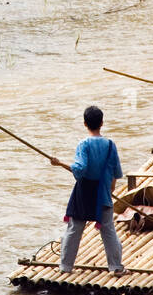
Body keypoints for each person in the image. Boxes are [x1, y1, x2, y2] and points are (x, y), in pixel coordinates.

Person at [48, 105, 126, 275]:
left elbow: (79, 169)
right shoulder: (111, 145)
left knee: (74, 229)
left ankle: (65, 267)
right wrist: (111, 188)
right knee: (108, 230)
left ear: (85, 123)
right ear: (102, 123)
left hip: (83, 194)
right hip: (103, 194)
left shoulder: (83, 144)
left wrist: (59, 163)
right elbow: (116, 172)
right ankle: (116, 267)